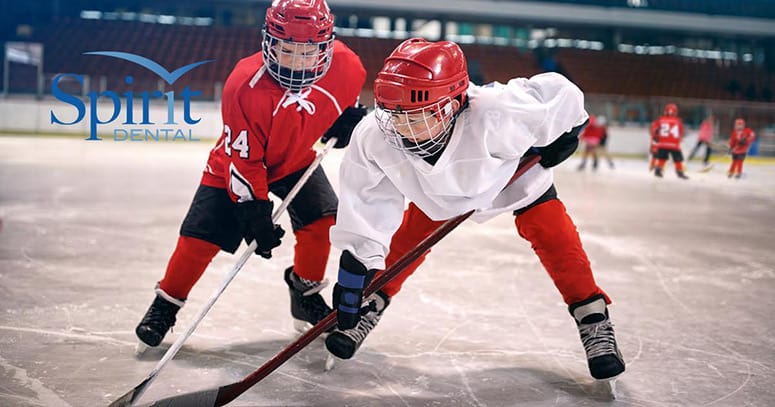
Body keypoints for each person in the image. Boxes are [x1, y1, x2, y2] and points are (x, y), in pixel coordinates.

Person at [325, 38, 625, 382]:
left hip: (509, 176)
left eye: (417, 117)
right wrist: (355, 272)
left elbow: (563, 94)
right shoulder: (376, 134)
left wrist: (568, 131)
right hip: (437, 192)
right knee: (407, 240)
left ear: (452, 105)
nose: (402, 128)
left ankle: (592, 316)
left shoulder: (499, 111)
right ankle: (372, 303)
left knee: (553, 233)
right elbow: (366, 201)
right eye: (395, 115)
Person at [133, 0, 367, 348]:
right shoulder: (244, 84)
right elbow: (244, 161)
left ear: (327, 46)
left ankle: (304, 293)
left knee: (323, 222)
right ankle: (165, 303)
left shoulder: (349, 68)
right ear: (269, 42)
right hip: (238, 163)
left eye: (308, 52)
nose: (296, 61)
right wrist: (254, 210)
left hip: (297, 159)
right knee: (200, 238)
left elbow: (329, 112)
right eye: (286, 50)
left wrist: (342, 123)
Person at [650, 103, 689, 179]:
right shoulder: (678, 121)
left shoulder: (660, 119)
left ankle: (658, 170)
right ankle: (679, 172)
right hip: (674, 145)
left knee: (662, 158)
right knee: (678, 159)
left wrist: (656, 137)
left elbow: (654, 130)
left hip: (662, 143)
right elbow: (681, 133)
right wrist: (679, 140)